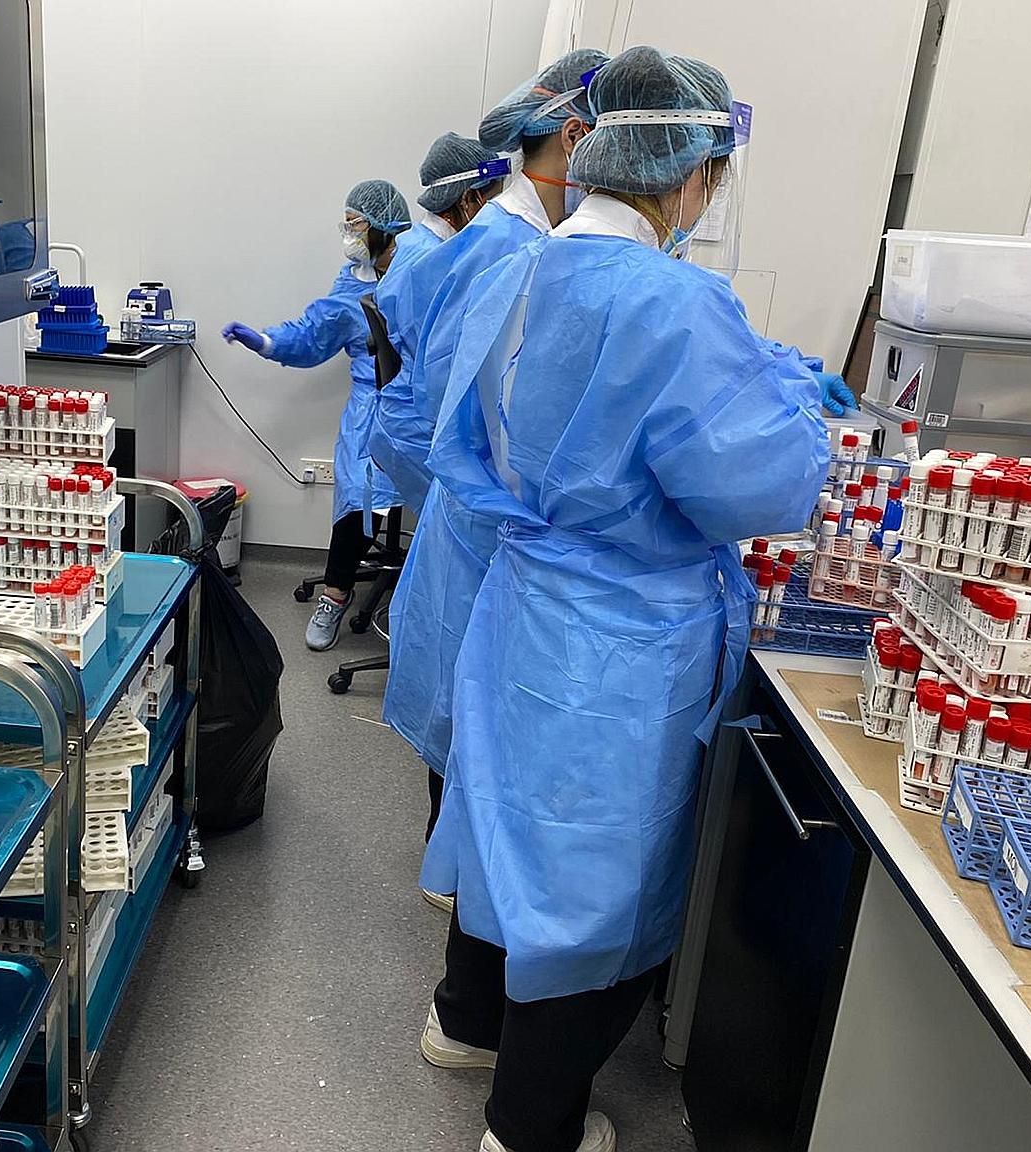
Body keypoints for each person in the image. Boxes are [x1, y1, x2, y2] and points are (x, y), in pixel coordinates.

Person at [415, 47, 830, 1152]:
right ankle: (530, 1126)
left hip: (525, 607)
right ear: (692, 172)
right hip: (620, 642)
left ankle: (466, 1025)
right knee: (595, 889)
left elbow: (457, 431)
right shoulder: (674, 300)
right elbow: (759, 483)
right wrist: (795, 410)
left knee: (515, 840)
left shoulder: (518, 264)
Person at [378, 49, 609, 893]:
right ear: (579, 137)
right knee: (467, 698)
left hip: (484, 509)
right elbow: (454, 384)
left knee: (473, 695)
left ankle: (460, 862)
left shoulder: (524, 238)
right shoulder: (508, 245)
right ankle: (454, 868)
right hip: (484, 514)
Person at [221, 180, 410, 650]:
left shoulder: (422, 270)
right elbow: (313, 334)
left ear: (384, 226)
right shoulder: (352, 282)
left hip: (426, 404)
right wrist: (264, 341)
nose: (348, 234)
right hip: (373, 407)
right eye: (345, 224)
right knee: (357, 494)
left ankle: (421, 604)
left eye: (355, 224)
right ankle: (335, 594)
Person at [370, 132, 506, 512]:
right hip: (418, 426)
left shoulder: (417, 243)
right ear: (468, 199)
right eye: (493, 202)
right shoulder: (435, 258)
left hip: (406, 414)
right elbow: (442, 358)